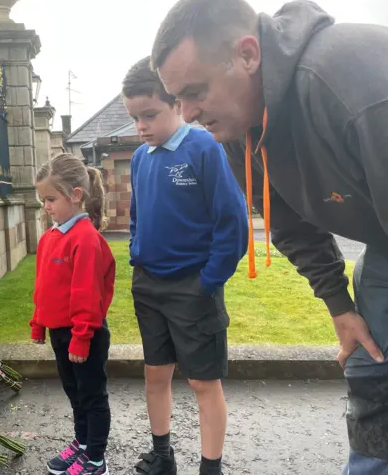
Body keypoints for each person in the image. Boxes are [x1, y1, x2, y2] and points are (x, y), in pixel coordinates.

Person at [151, 0, 388, 473]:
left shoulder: (348, 81)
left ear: (248, 54)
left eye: (195, 91)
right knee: (373, 370)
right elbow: (289, 225)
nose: (185, 114)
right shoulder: (239, 129)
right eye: (177, 98)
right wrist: (339, 305)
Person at [124, 57, 248, 475]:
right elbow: (137, 216)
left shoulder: (205, 149)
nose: (141, 126)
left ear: (176, 103)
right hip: (149, 287)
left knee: (202, 382)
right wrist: (136, 259)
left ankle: (209, 468)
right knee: (155, 376)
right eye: (134, 118)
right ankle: (162, 456)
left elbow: (233, 224)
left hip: (194, 288)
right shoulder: (141, 158)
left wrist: (208, 282)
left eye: (149, 114)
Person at [30, 153, 116, 475]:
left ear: (75, 195)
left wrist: (81, 339)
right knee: (74, 392)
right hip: (60, 333)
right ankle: (82, 444)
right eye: (43, 199)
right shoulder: (50, 238)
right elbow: (44, 287)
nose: (46, 206)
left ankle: (96, 458)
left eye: (51, 198)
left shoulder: (86, 239)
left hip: (85, 333)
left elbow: (87, 296)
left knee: (92, 395)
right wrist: (39, 322)